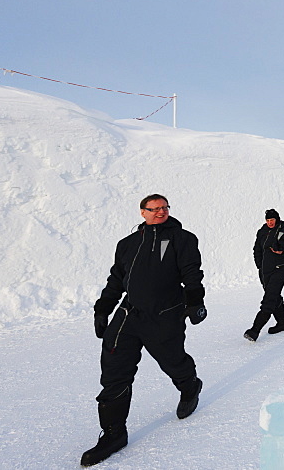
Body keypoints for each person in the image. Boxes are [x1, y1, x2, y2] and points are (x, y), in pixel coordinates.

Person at [83, 194, 207, 467]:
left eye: (164, 207)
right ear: (143, 212)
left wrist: (195, 301)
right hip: (128, 316)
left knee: (173, 360)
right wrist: (103, 308)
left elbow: (191, 272)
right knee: (114, 372)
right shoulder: (127, 244)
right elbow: (117, 279)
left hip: (164, 315)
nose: (161, 212)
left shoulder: (182, 239)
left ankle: (190, 386)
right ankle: (114, 433)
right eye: (155, 208)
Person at [244, 209, 284, 341]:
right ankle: (282, 323)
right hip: (265, 269)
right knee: (273, 295)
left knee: (269, 298)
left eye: (272, 220)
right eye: (267, 220)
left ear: (277, 219)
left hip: (282, 267)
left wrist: (283, 252)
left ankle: (255, 330)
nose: (269, 222)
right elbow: (257, 249)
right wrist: (260, 265)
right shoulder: (262, 231)